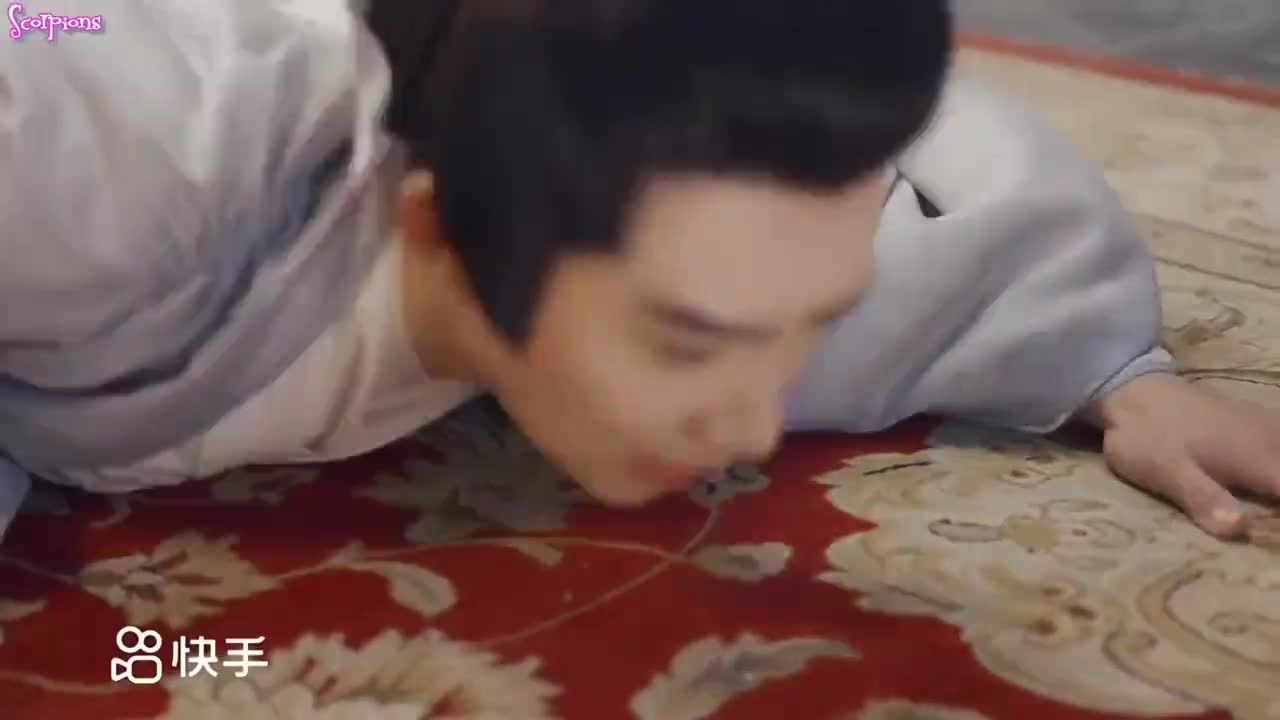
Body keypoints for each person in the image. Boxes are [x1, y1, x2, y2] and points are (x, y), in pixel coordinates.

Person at [1, 0, 1275, 543]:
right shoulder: (111, 171)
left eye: (802, 322)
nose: (748, 424)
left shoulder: (670, 232)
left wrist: (1120, 374)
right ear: (436, 229)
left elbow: (910, 162)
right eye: (691, 340)